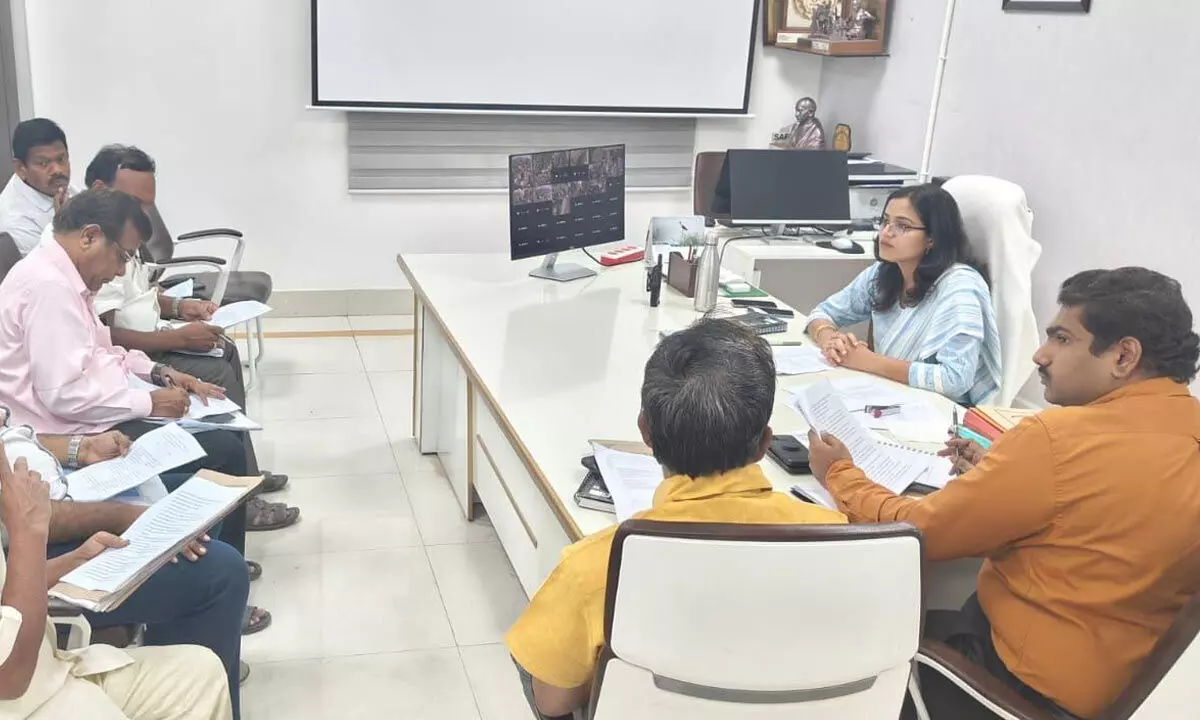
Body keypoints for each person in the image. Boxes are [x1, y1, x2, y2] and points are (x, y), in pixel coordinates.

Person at [808, 267, 1200, 719]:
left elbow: (917, 534)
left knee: (848, 646)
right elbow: (1100, 521)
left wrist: (839, 472)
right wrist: (1001, 476)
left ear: (1124, 356)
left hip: (1006, 686)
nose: (1040, 355)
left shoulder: (1055, 439)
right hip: (1114, 688)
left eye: (1062, 339)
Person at [506, 319, 846, 719]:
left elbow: (553, 701)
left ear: (645, 432)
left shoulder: (595, 567)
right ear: (764, 444)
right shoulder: (838, 537)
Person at [0, 189, 273, 638]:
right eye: (122, 255)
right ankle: (206, 599)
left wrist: (163, 374)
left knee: (217, 435)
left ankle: (213, 593)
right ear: (90, 236)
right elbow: (63, 397)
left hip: (93, 415)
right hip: (73, 431)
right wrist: (148, 402)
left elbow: (106, 351)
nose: (122, 270)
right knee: (217, 452)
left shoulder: (65, 277)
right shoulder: (48, 287)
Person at [80, 145, 296, 531]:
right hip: (125, 366)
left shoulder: (119, 231)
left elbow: (137, 295)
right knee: (218, 374)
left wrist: (180, 310)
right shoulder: (90, 248)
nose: (143, 215)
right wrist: (171, 347)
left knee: (224, 352)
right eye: (135, 202)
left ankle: (245, 475)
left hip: (141, 349)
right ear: (100, 188)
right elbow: (107, 334)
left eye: (148, 205)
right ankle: (238, 500)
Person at [0, 411, 244, 719]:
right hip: (27, 699)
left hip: (48, 670)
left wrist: (74, 560)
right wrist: (29, 533)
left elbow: (7, 587)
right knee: (218, 571)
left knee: (201, 671)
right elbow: (10, 676)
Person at [806, 183, 1002, 405]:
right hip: (890, 395)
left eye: (902, 226)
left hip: (941, 412)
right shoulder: (885, 272)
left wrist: (867, 361)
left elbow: (955, 379)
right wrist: (831, 341)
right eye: (885, 221)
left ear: (932, 238)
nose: (886, 232)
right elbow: (822, 313)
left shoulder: (961, 287)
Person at [0, 119, 77, 256]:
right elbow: (54, 268)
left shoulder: (52, 185)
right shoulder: (14, 223)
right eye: (43, 163)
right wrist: (64, 225)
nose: (57, 170)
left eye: (61, 159)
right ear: (20, 168)